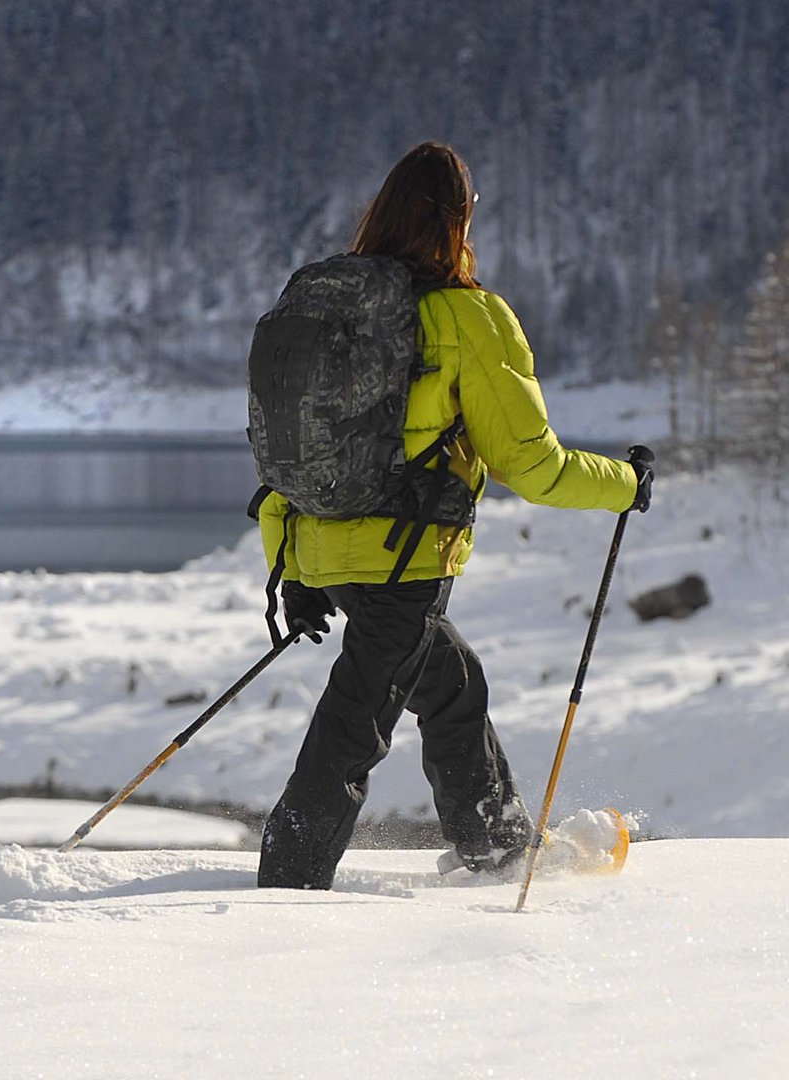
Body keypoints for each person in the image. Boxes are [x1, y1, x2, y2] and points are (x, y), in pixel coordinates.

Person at [253, 142, 654, 890]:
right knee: (352, 729)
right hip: (404, 562)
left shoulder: (326, 306)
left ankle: (496, 850)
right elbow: (533, 465)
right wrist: (624, 484)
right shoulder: (469, 318)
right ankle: (285, 888)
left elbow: (285, 450)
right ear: (459, 221)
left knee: (453, 683)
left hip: (329, 552)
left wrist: (295, 569)